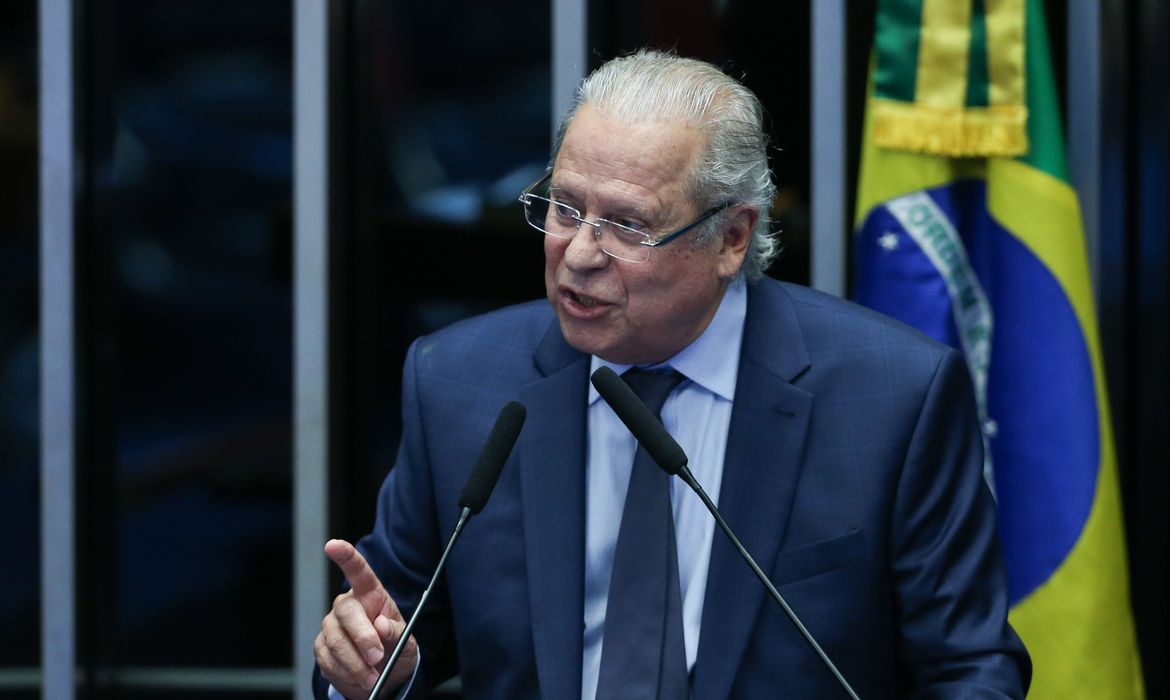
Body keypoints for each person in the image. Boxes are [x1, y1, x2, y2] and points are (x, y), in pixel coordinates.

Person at [313, 50, 1031, 699]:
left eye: (627, 225)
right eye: (565, 208)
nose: (579, 254)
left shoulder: (893, 398)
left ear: (732, 238)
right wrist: (371, 668)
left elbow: (971, 670)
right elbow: (390, 637)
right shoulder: (459, 384)